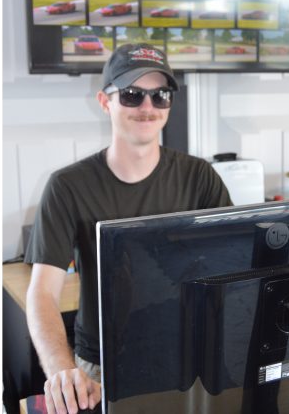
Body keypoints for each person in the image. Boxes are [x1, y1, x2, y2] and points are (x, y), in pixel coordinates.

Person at [24, 43, 232, 414]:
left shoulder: (200, 177)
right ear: (106, 101)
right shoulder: (67, 186)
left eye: (160, 95)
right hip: (103, 368)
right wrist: (61, 371)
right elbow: (42, 293)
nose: (147, 108)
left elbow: (233, 272)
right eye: (133, 95)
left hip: (189, 358)